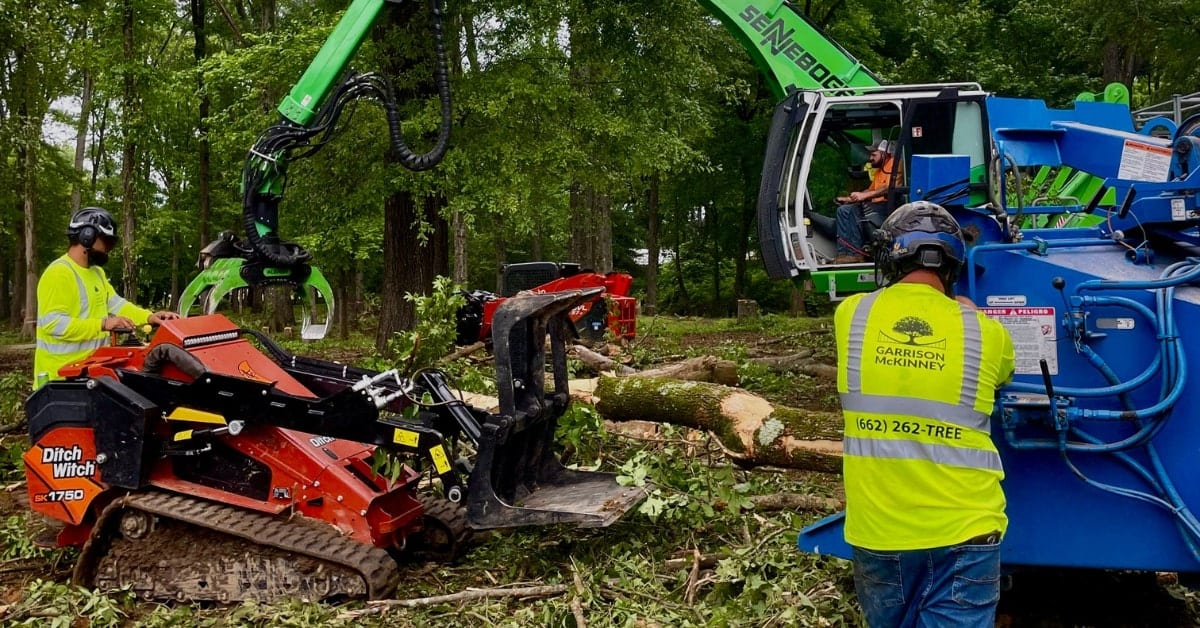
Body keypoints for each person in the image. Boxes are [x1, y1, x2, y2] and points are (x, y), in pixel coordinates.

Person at [834, 201, 1016, 627]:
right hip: (965, 531)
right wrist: (969, 313)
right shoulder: (986, 333)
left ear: (890, 259)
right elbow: (1005, 374)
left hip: (879, 533)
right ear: (953, 264)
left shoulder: (852, 316)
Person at [34, 207, 180, 388]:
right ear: (87, 236)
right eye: (107, 242)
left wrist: (150, 317)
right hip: (61, 379)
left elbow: (117, 305)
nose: (108, 249)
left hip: (90, 371)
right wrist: (103, 324)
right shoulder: (59, 273)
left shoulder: (96, 273)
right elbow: (53, 323)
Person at [833, 139, 900, 264]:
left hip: (887, 206)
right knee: (842, 210)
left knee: (855, 210)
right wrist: (849, 199)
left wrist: (864, 197)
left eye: (874, 154)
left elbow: (890, 187)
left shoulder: (895, 164)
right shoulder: (880, 170)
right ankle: (843, 253)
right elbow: (870, 190)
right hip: (875, 205)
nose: (870, 158)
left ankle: (856, 254)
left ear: (884, 153)